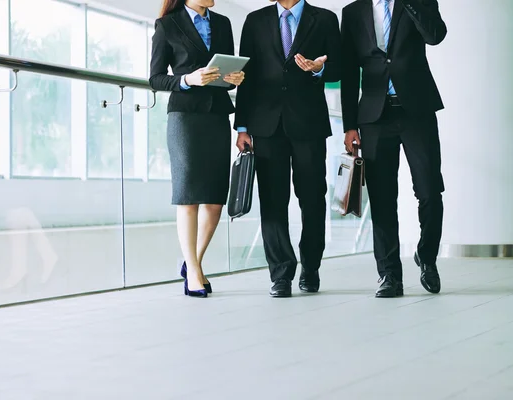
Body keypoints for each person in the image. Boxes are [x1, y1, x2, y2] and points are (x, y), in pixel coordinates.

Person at [340, 0, 447, 298]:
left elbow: (435, 35)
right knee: (383, 198)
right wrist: (350, 125)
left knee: (429, 190)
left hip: (417, 111)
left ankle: (427, 258)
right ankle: (389, 275)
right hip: (374, 117)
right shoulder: (352, 12)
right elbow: (349, 72)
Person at [235, 0, 341, 298]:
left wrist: (321, 68)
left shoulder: (325, 19)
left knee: (312, 198)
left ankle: (310, 266)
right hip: (265, 125)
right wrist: (242, 126)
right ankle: (280, 273)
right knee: (272, 201)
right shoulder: (255, 21)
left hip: (308, 123)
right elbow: (246, 76)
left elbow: (338, 68)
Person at [149, 0, 245, 298]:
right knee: (188, 196)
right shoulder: (167, 25)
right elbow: (155, 78)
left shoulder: (223, 23)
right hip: (185, 118)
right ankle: (193, 271)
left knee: (215, 200)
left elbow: (227, 76)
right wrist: (187, 80)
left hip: (216, 116)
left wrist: (236, 79)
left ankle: (193, 261)